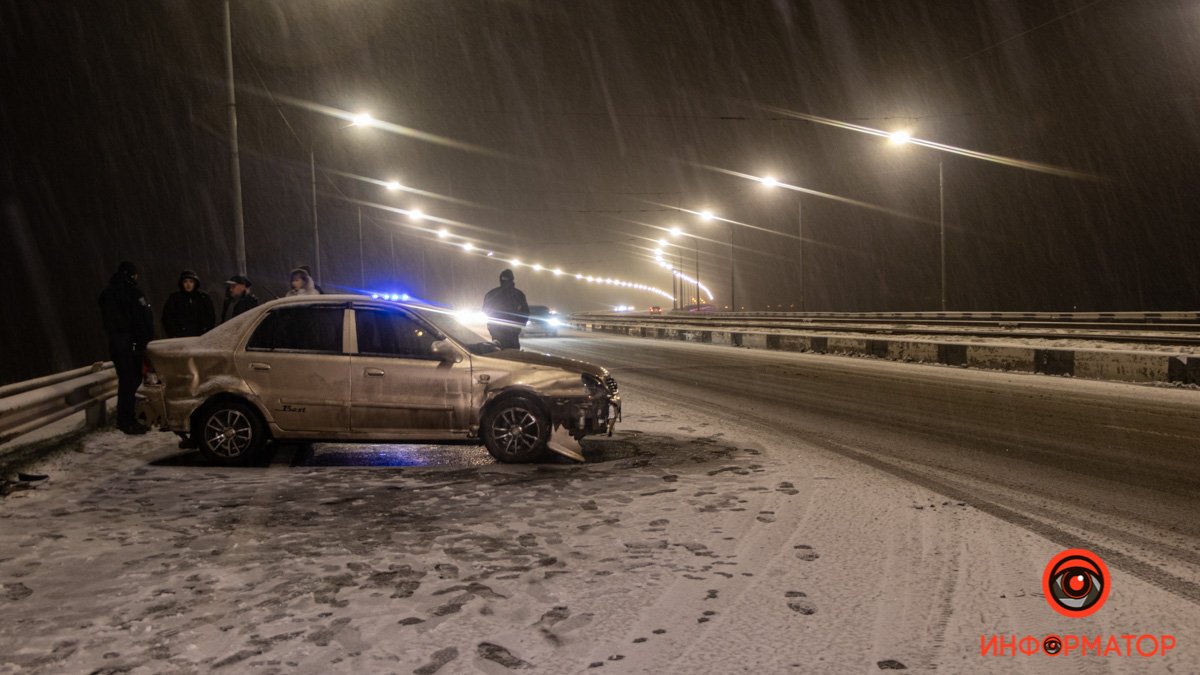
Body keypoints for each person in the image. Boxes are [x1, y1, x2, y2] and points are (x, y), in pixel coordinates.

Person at [98, 261, 154, 435]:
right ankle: (126, 420)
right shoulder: (133, 293)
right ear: (132, 274)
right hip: (131, 345)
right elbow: (141, 319)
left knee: (126, 382)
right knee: (131, 382)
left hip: (117, 344)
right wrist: (143, 340)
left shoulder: (107, 293)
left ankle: (126, 417)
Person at [483, 269, 529, 349]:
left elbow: (485, 311)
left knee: (499, 353)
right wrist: (518, 326)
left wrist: (492, 326)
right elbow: (525, 313)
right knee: (513, 355)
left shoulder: (491, 294)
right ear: (512, 279)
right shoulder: (518, 294)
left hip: (497, 332)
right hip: (512, 333)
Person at [161, 270, 216, 338]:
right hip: (181, 337)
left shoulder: (203, 298)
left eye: (191, 281)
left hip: (201, 336)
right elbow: (167, 318)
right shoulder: (174, 298)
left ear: (195, 283)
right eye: (185, 281)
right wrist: (174, 334)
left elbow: (211, 317)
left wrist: (206, 332)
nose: (188, 284)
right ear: (181, 283)